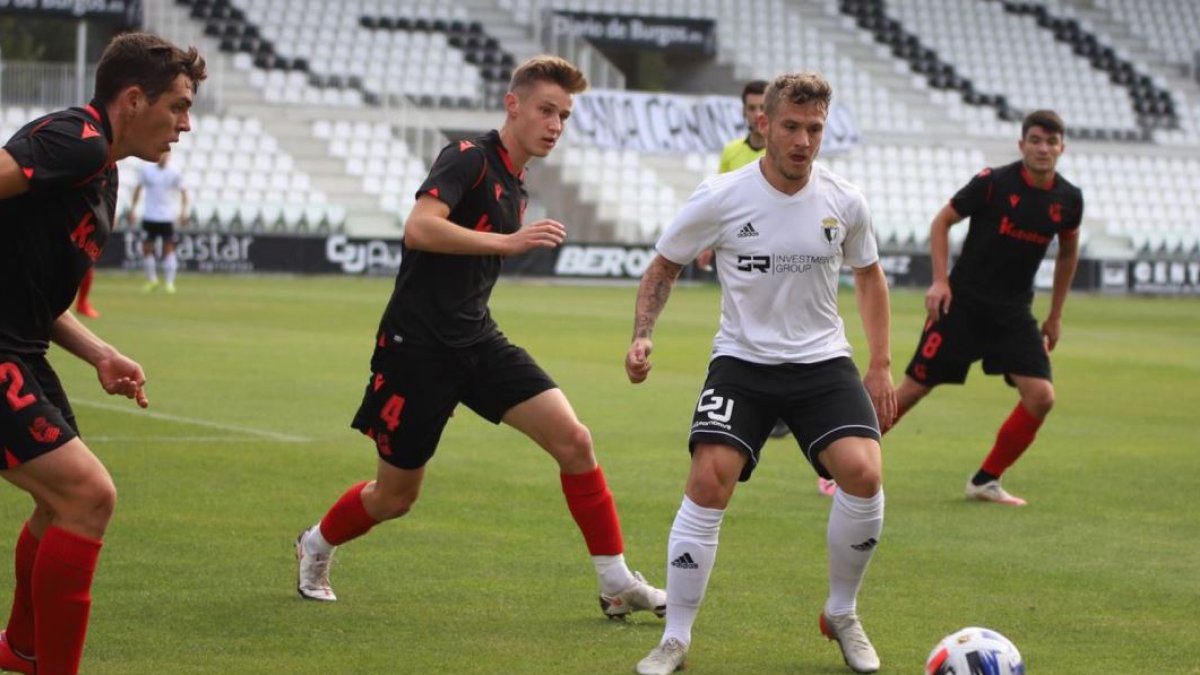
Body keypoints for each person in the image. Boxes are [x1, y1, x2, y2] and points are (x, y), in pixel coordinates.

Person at [293, 55, 665, 624]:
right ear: (512, 105)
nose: (555, 125)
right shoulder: (467, 158)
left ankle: (615, 581)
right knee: (396, 498)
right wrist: (509, 244)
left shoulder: (516, 182)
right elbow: (418, 227)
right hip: (415, 349)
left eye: (564, 116)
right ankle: (316, 543)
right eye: (546, 110)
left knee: (575, 440)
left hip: (476, 342)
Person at [626, 72, 895, 675]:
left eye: (815, 129)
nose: (803, 141)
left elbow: (869, 275)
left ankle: (842, 613)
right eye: (792, 127)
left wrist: (878, 363)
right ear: (764, 125)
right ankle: (675, 637)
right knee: (708, 479)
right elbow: (663, 267)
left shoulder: (844, 199)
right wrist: (643, 334)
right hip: (742, 362)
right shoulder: (721, 196)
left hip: (822, 362)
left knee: (864, 473)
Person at [0, 32, 204, 675]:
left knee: (60, 502)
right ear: (134, 99)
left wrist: (99, 353)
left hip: (23, 347)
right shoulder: (78, 139)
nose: (186, 125)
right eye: (177, 106)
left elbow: (30, 292)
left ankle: (21, 651)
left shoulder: (100, 167)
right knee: (89, 497)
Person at [889, 109, 1083, 506]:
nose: (1043, 149)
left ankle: (985, 480)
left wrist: (1055, 315)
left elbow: (1067, 254)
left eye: (1051, 142)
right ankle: (837, 468)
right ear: (1022, 144)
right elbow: (942, 221)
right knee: (911, 390)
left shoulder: (1068, 200)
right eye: (1035, 140)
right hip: (962, 306)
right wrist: (940, 280)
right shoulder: (993, 183)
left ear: (1062, 148)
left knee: (1041, 396)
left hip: (1012, 314)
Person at [125, 150, 188, 293]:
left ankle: (169, 283)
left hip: (166, 217)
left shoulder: (175, 172)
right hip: (149, 216)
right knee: (147, 249)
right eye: (163, 155)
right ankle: (152, 280)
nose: (164, 158)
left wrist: (183, 211)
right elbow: (138, 189)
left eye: (167, 155)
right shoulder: (146, 170)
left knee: (168, 249)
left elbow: (184, 192)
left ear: (170, 156)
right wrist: (133, 209)